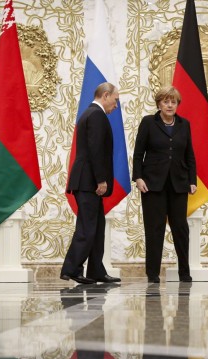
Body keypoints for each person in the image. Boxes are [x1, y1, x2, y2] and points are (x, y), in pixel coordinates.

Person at [132, 86, 197, 283]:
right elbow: (138, 154)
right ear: (159, 104)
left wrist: (192, 180)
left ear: (177, 105)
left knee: (180, 229)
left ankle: (184, 272)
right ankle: (153, 274)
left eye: (173, 102)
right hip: (152, 185)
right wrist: (138, 177)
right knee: (154, 229)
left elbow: (190, 155)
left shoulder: (184, 124)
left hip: (178, 184)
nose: (170, 105)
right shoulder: (148, 122)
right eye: (166, 101)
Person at [61, 82, 121, 285]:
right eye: (115, 100)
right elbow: (96, 150)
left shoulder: (91, 113)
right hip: (89, 182)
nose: (116, 105)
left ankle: (96, 270)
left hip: (87, 181)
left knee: (96, 227)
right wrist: (101, 179)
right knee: (87, 228)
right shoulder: (96, 115)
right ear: (105, 95)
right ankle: (72, 269)